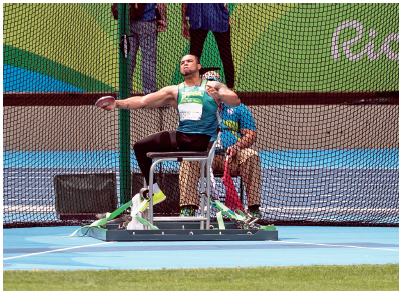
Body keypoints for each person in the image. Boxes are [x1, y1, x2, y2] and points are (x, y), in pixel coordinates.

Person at [99, 55, 240, 211]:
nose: (185, 63)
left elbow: (235, 101)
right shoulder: (175, 91)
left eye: (189, 61)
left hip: (204, 141)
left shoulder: (212, 85)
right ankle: (155, 192)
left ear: (199, 66)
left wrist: (219, 94)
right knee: (140, 146)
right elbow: (144, 101)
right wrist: (117, 104)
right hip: (182, 139)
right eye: (182, 62)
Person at [179, 71, 262, 218]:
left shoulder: (237, 107)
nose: (210, 89)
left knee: (251, 156)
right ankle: (188, 207)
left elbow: (251, 134)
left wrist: (237, 146)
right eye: (207, 85)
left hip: (231, 157)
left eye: (214, 85)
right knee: (188, 160)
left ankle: (253, 207)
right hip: (204, 158)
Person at [112, 3, 167, 94]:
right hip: (147, 22)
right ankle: (150, 96)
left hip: (128, 21)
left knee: (127, 58)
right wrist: (163, 19)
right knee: (148, 59)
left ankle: (124, 94)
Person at [182, 3, 235, 90]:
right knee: (194, 57)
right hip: (200, 17)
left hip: (212, 16)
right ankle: (192, 90)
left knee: (225, 55)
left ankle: (230, 92)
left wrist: (184, 21)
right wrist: (184, 21)